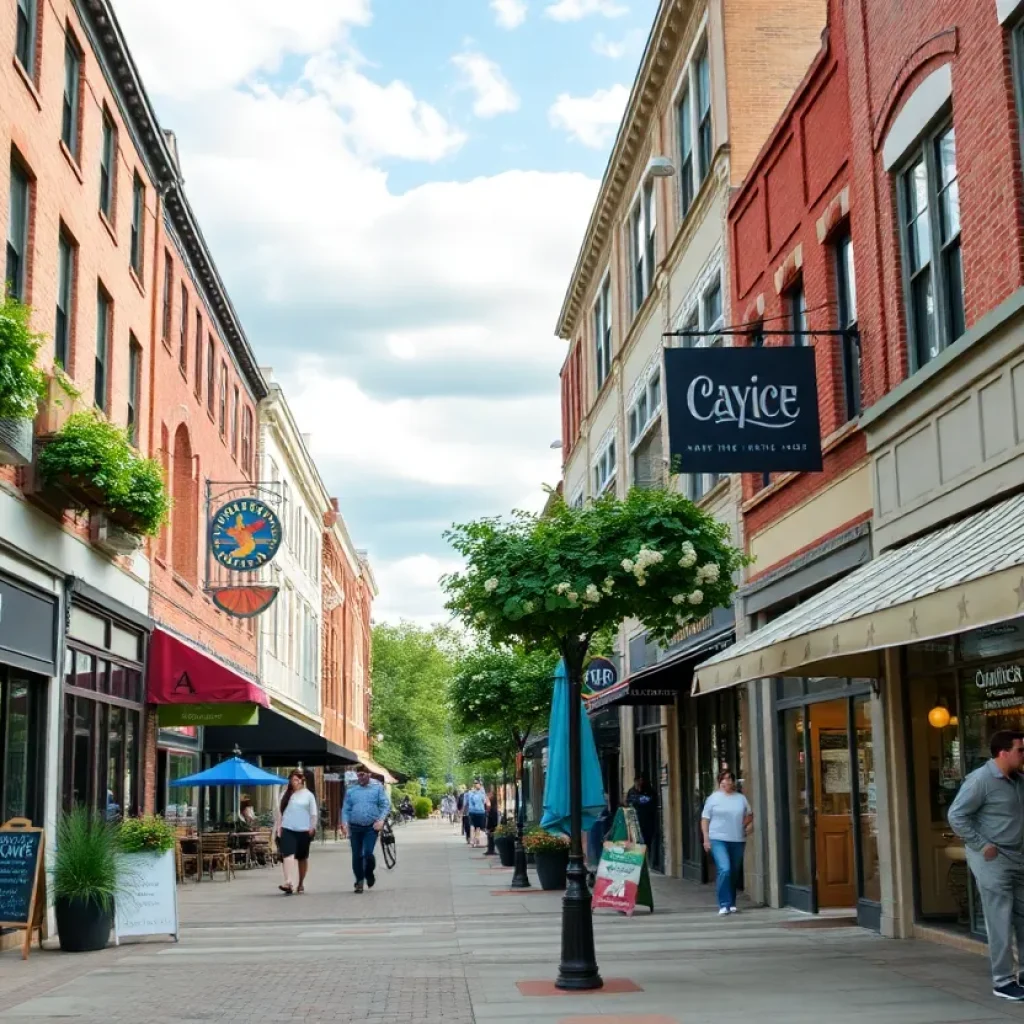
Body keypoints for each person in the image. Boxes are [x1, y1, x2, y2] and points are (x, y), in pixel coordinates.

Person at [947, 730, 1024, 1001]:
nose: (1023, 755)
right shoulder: (980, 780)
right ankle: (1003, 981)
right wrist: (982, 845)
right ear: (1003, 753)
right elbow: (956, 816)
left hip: (1018, 857)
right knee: (1000, 918)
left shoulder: (1018, 781)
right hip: (992, 859)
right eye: (1020, 750)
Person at [701, 770, 753, 916]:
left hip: (737, 839)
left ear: (733, 782)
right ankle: (723, 904)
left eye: (729, 779)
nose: (726, 782)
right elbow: (705, 819)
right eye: (723, 780)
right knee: (725, 869)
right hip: (717, 838)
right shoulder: (713, 799)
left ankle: (731, 903)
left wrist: (745, 825)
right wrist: (706, 838)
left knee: (734, 872)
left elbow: (749, 814)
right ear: (719, 782)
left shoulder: (740, 798)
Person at [341, 764, 392, 893]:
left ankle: (369, 873)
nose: (360, 777)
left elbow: (385, 805)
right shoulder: (351, 790)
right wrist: (344, 823)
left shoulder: (377, 788)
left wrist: (381, 820)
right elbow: (346, 809)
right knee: (356, 855)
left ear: (369, 774)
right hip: (355, 827)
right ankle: (359, 880)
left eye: (363, 774)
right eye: (358, 775)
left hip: (371, 827)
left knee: (367, 853)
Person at [275, 770, 318, 895]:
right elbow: (279, 813)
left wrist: (312, 827)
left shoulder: (308, 795)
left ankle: (300, 883)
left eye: (299, 779)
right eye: (294, 779)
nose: (297, 782)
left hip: (304, 830)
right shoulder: (285, 794)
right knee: (288, 855)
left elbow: (313, 813)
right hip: (287, 828)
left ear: (302, 780)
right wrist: (279, 828)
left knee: (302, 858)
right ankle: (288, 882)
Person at [625, 774, 658, 851]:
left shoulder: (649, 791)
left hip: (647, 822)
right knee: (637, 843)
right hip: (635, 822)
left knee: (647, 843)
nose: (639, 783)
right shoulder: (631, 791)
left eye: (641, 781)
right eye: (638, 782)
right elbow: (628, 803)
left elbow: (651, 803)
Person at [466, 780, 488, 847]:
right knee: (477, 827)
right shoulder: (481, 793)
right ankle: (476, 840)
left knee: (473, 826)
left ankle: (473, 841)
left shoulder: (469, 792)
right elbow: (484, 801)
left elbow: (467, 802)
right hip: (480, 811)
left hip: (472, 811)